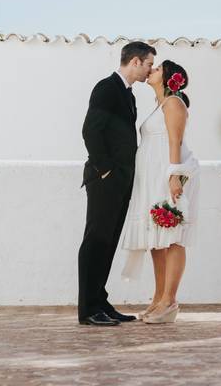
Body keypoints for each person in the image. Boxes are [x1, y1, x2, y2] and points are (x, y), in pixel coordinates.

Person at [77, 41, 155, 326]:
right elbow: (90, 131)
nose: (150, 71)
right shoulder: (106, 88)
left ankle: (100, 301)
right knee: (95, 242)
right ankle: (87, 309)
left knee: (108, 243)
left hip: (122, 181)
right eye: (148, 64)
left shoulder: (129, 95)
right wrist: (106, 170)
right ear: (135, 61)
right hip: (104, 180)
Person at [120, 59, 200, 324]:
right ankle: (158, 297)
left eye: (157, 68)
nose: (151, 70)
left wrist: (174, 176)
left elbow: (175, 141)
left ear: (168, 78)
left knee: (174, 235)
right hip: (152, 179)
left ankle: (170, 299)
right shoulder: (158, 105)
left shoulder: (174, 103)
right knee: (156, 239)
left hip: (169, 176)